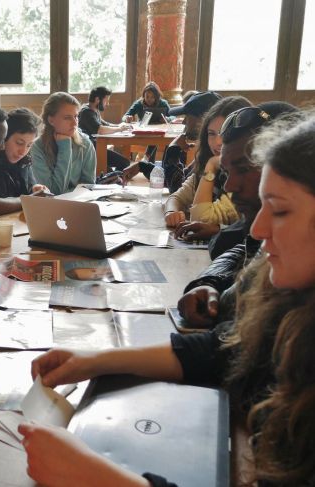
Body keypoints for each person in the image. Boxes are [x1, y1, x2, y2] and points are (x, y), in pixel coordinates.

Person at [19, 111, 315, 486]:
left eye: (281, 210)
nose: (257, 229)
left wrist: (97, 479)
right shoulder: (293, 307)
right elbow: (227, 351)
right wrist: (93, 361)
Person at [177, 102, 299, 329]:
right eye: (226, 171)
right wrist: (208, 282)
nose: (230, 185)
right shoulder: (267, 232)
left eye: (243, 169)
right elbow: (244, 247)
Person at [164, 96, 250, 229]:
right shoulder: (209, 163)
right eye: (212, 134)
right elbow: (177, 197)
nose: (218, 142)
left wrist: (211, 166)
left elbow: (200, 219)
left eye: (225, 133)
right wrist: (171, 212)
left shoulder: (248, 177)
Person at [122, 91, 222, 192]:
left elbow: (177, 188)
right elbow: (181, 179)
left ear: (204, 119)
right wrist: (143, 166)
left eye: (187, 116)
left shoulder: (217, 157)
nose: (184, 121)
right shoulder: (207, 152)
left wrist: (173, 149)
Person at [31, 92, 97, 195]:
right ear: (51, 120)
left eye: (76, 116)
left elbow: (88, 187)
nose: (75, 123)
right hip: (51, 204)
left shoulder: (85, 144)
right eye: (67, 118)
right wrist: (65, 147)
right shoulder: (37, 147)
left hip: (79, 202)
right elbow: (53, 192)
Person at [0, 107, 48, 197]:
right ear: (4, 138)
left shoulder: (25, 162)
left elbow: (29, 190)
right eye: (19, 143)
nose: (23, 152)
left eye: (29, 145)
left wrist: (34, 189)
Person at [78, 86, 132, 170]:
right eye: (106, 101)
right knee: (124, 163)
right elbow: (100, 130)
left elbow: (104, 124)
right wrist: (119, 129)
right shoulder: (86, 112)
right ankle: (114, 177)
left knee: (120, 165)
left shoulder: (94, 110)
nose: (107, 104)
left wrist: (120, 126)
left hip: (96, 146)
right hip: (89, 150)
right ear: (97, 99)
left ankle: (114, 176)